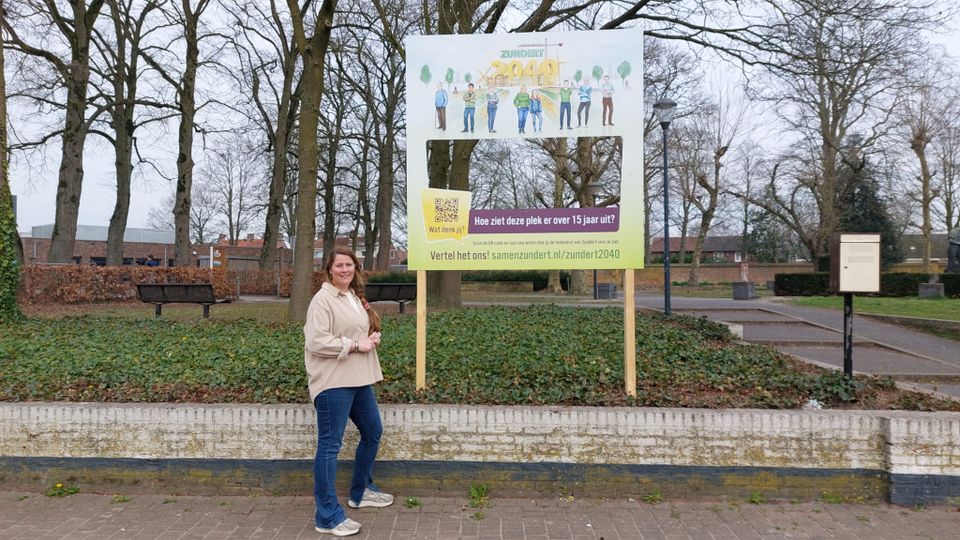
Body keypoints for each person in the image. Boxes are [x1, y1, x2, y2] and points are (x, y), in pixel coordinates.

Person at [304, 247, 393, 537]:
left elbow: (354, 333)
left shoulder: (353, 296)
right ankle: (327, 516)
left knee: (372, 432)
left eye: (349, 264)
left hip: (358, 379)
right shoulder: (322, 300)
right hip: (333, 383)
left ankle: (360, 491)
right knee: (330, 446)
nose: (345, 269)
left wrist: (369, 338)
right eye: (339, 265)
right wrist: (355, 345)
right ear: (329, 270)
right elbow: (317, 342)